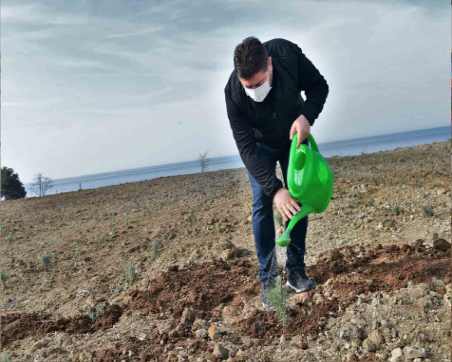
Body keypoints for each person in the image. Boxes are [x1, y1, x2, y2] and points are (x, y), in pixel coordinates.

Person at [224, 36, 329, 310]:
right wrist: (275, 189)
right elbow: (246, 148)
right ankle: (269, 281)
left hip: (294, 135)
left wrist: (307, 116)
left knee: (298, 197)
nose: (254, 90)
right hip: (260, 148)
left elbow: (320, 87)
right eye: (249, 86)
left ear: (269, 64)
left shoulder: (286, 54)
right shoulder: (233, 93)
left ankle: (295, 271)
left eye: (258, 84)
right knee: (261, 203)